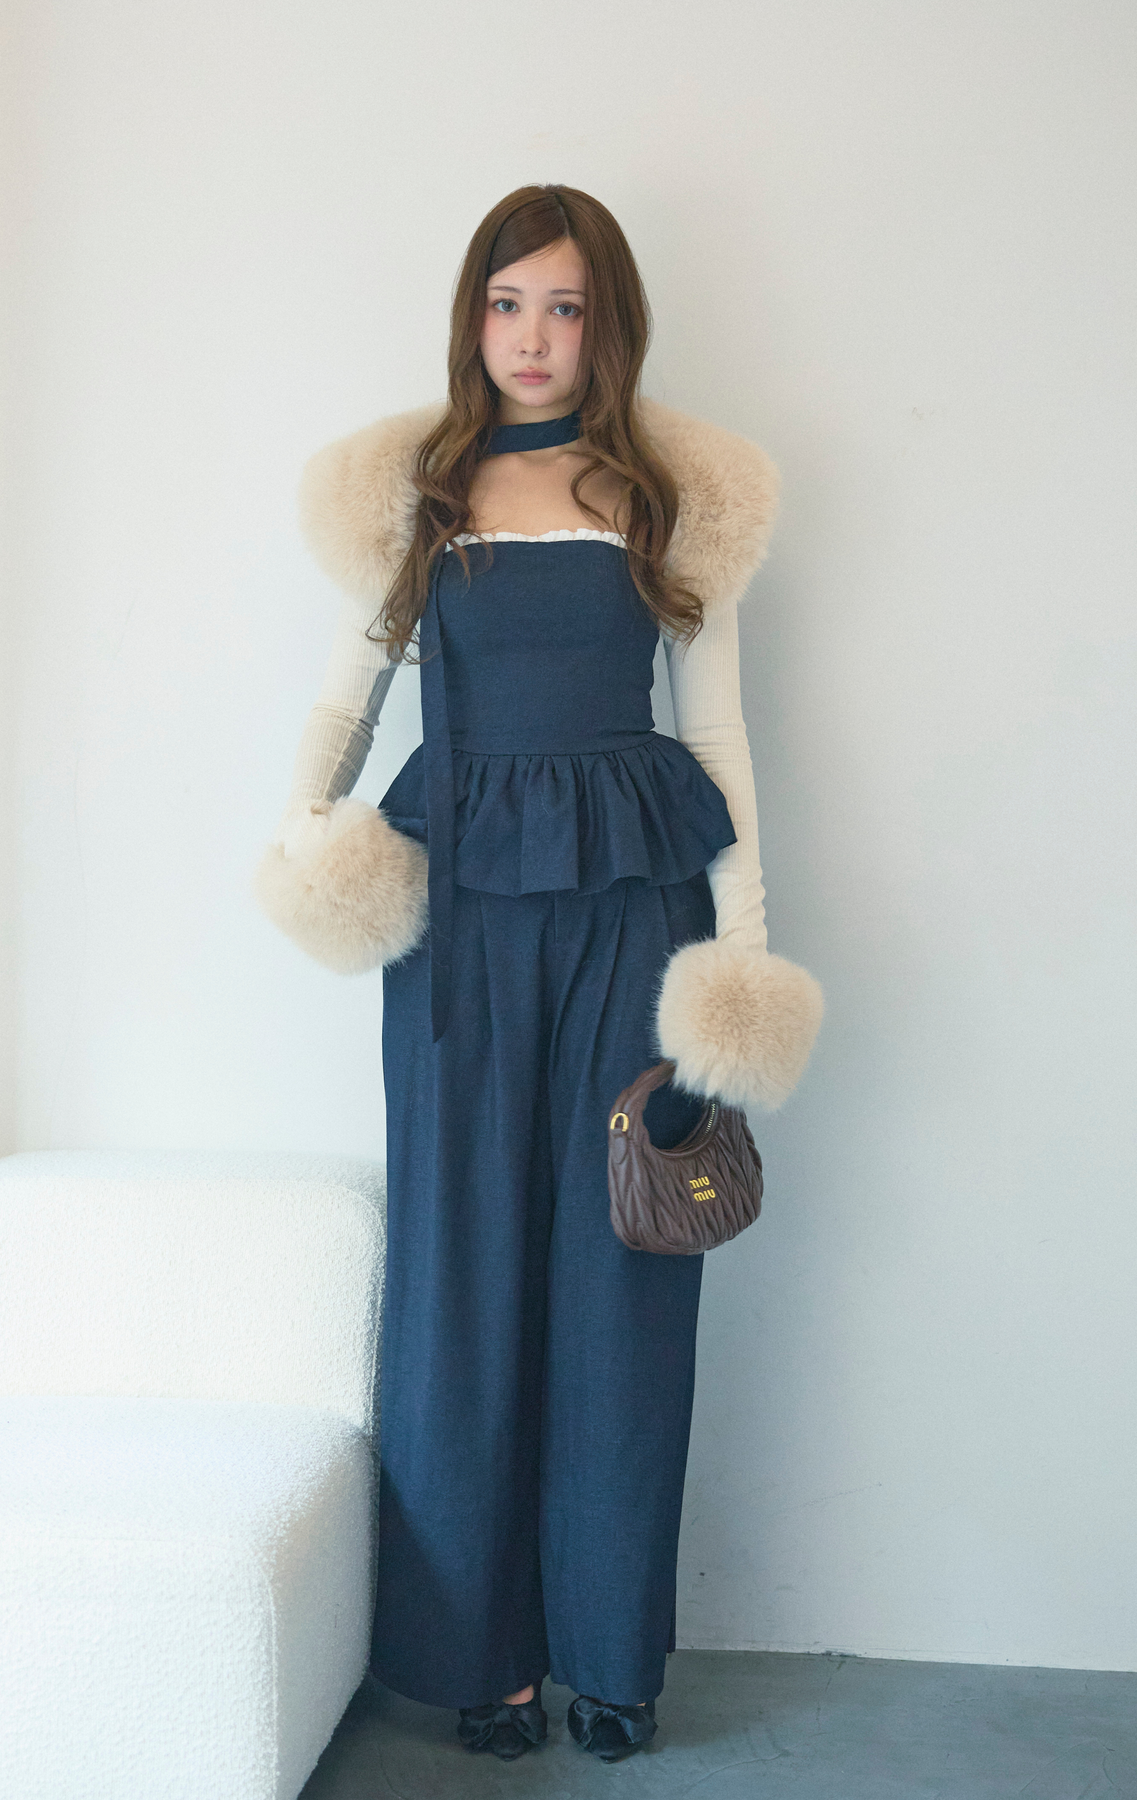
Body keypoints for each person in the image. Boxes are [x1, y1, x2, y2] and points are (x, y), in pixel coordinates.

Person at [256, 184, 822, 1765]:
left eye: (565, 307)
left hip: (634, 908)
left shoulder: (672, 499)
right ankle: (482, 1660)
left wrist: (745, 950)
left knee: (625, 1271)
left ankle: (610, 1658)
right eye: (508, 303)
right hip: (460, 927)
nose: (533, 336)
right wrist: (300, 829)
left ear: (607, 326)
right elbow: (349, 694)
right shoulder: (419, 495)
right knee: (464, 1270)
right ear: (473, 318)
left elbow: (717, 732)